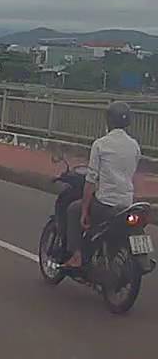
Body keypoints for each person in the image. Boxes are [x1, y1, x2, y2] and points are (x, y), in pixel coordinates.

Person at [63, 101, 141, 269]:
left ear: (109, 121)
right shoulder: (134, 145)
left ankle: (76, 256)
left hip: (106, 203)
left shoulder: (101, 144)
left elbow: (91, 181)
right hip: (127, 204)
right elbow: (132, 173)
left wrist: (85, 211)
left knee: (73, 210)